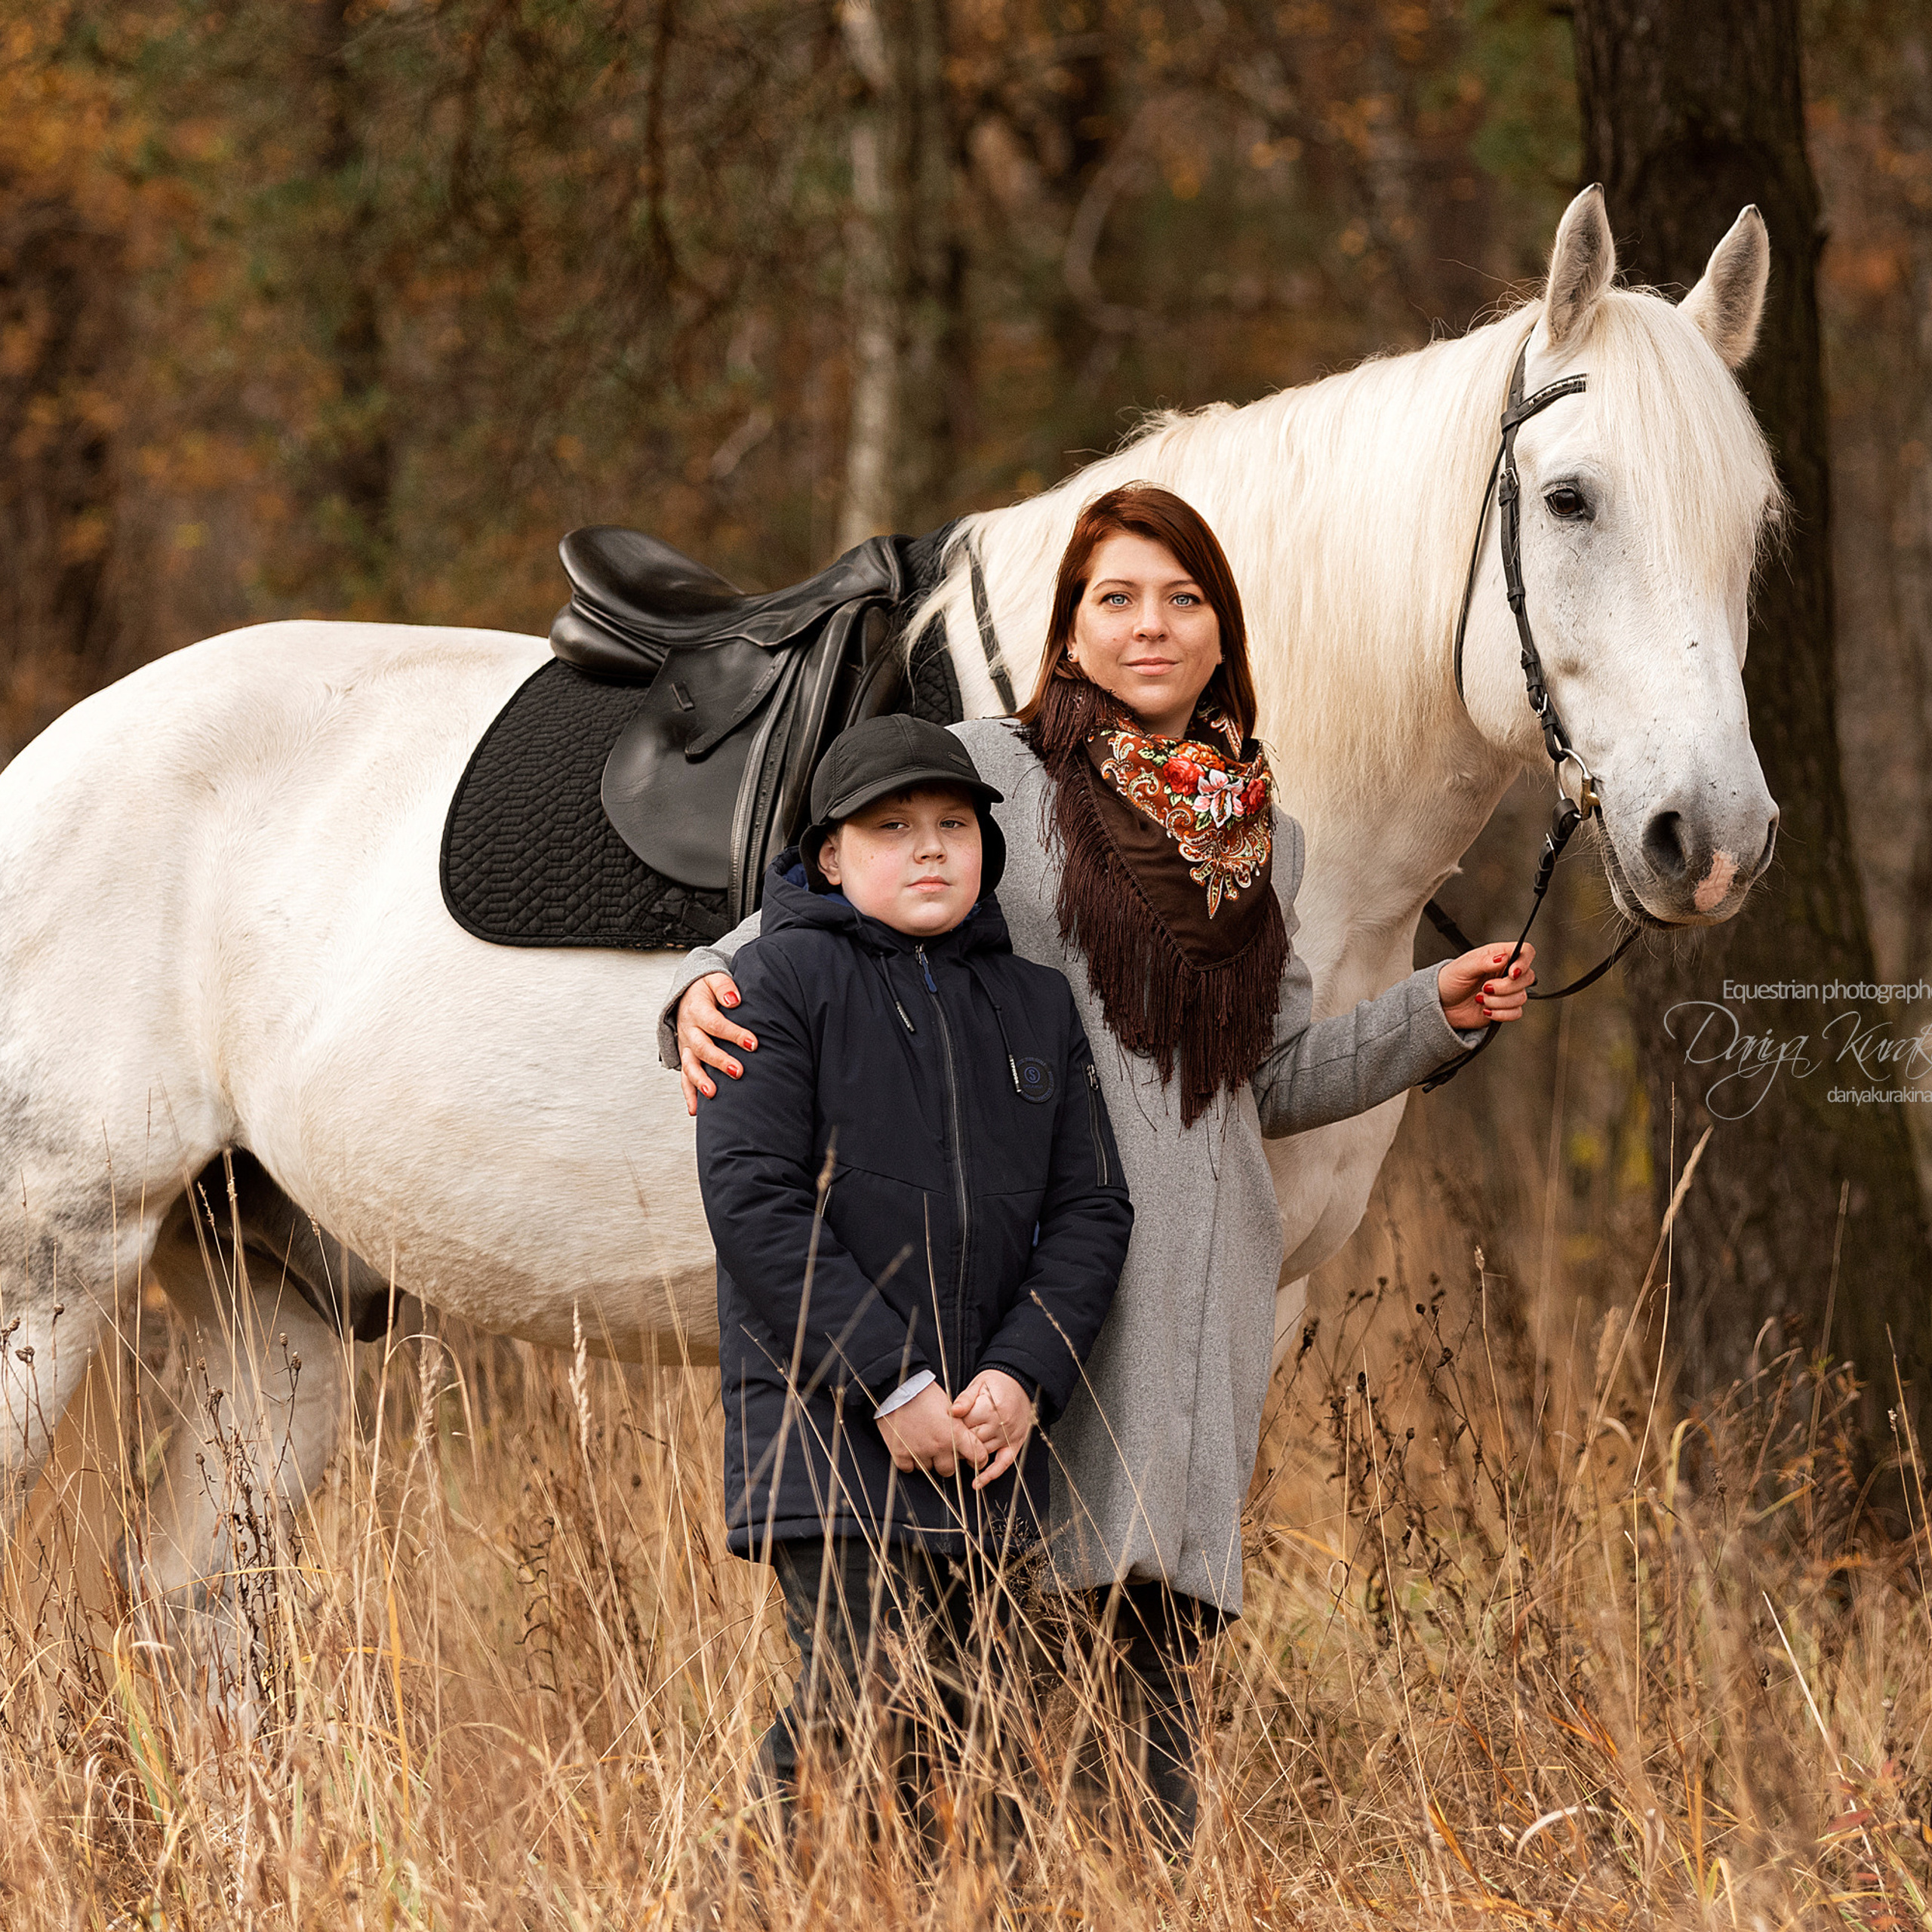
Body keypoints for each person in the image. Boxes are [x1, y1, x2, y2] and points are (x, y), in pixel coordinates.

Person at [667, 486, 1536, 1854]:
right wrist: (702, 995)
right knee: (957, 1666)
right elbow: (824, 900)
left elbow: (1264, 1080)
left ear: (1223, 634)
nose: (1152, 627)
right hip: (1038, 1284)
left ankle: (1129, 1882)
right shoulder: (984, 772)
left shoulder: (1263, 836)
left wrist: (1433, 1014)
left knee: (1144, 1657)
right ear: (1067, 629)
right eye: (1115, 598)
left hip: (1189, 1279)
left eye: (1183, 600)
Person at [692, 711, 1134, 1823]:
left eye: (952, 823)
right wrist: (890, 1382)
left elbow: (1091, 1208)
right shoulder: (776, 982)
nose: (930, 847)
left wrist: (1022, 1378)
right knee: (850, 1708)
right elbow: (756, 1203)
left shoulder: (1036, 1001)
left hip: (985, 1447)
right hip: (830, 1432)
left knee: (974, 1748)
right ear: (831, 856)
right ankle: (752, 1906)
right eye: (892, 827)